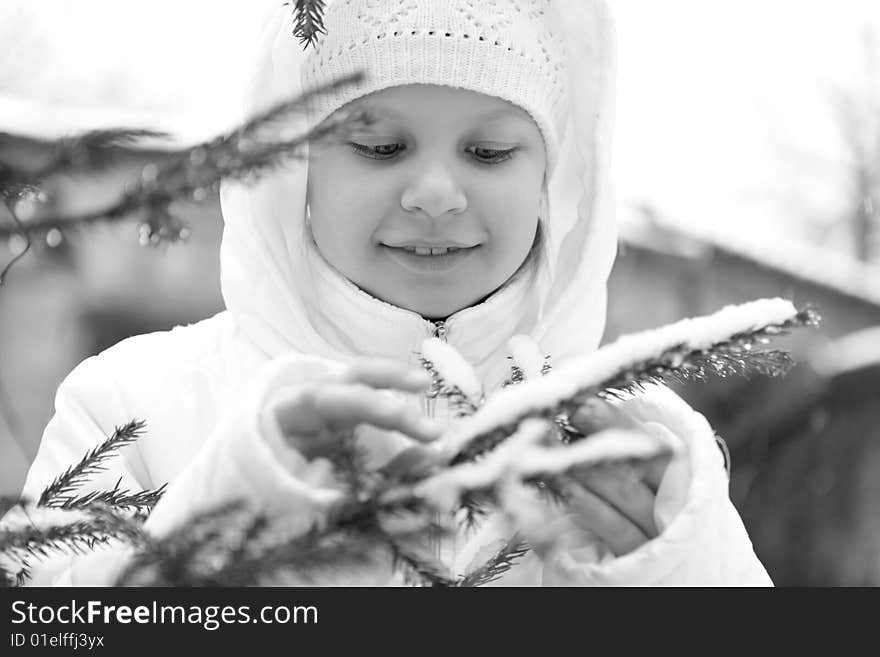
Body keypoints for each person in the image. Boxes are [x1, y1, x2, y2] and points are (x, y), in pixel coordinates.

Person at [13, 0, 772, 585]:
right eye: (380, 147)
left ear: (552, 179)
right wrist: (240, 512)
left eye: (489, 150)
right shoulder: (134, 408)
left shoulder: (646, 452)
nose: (437, 192)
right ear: (296, 167)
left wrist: (680, 569)